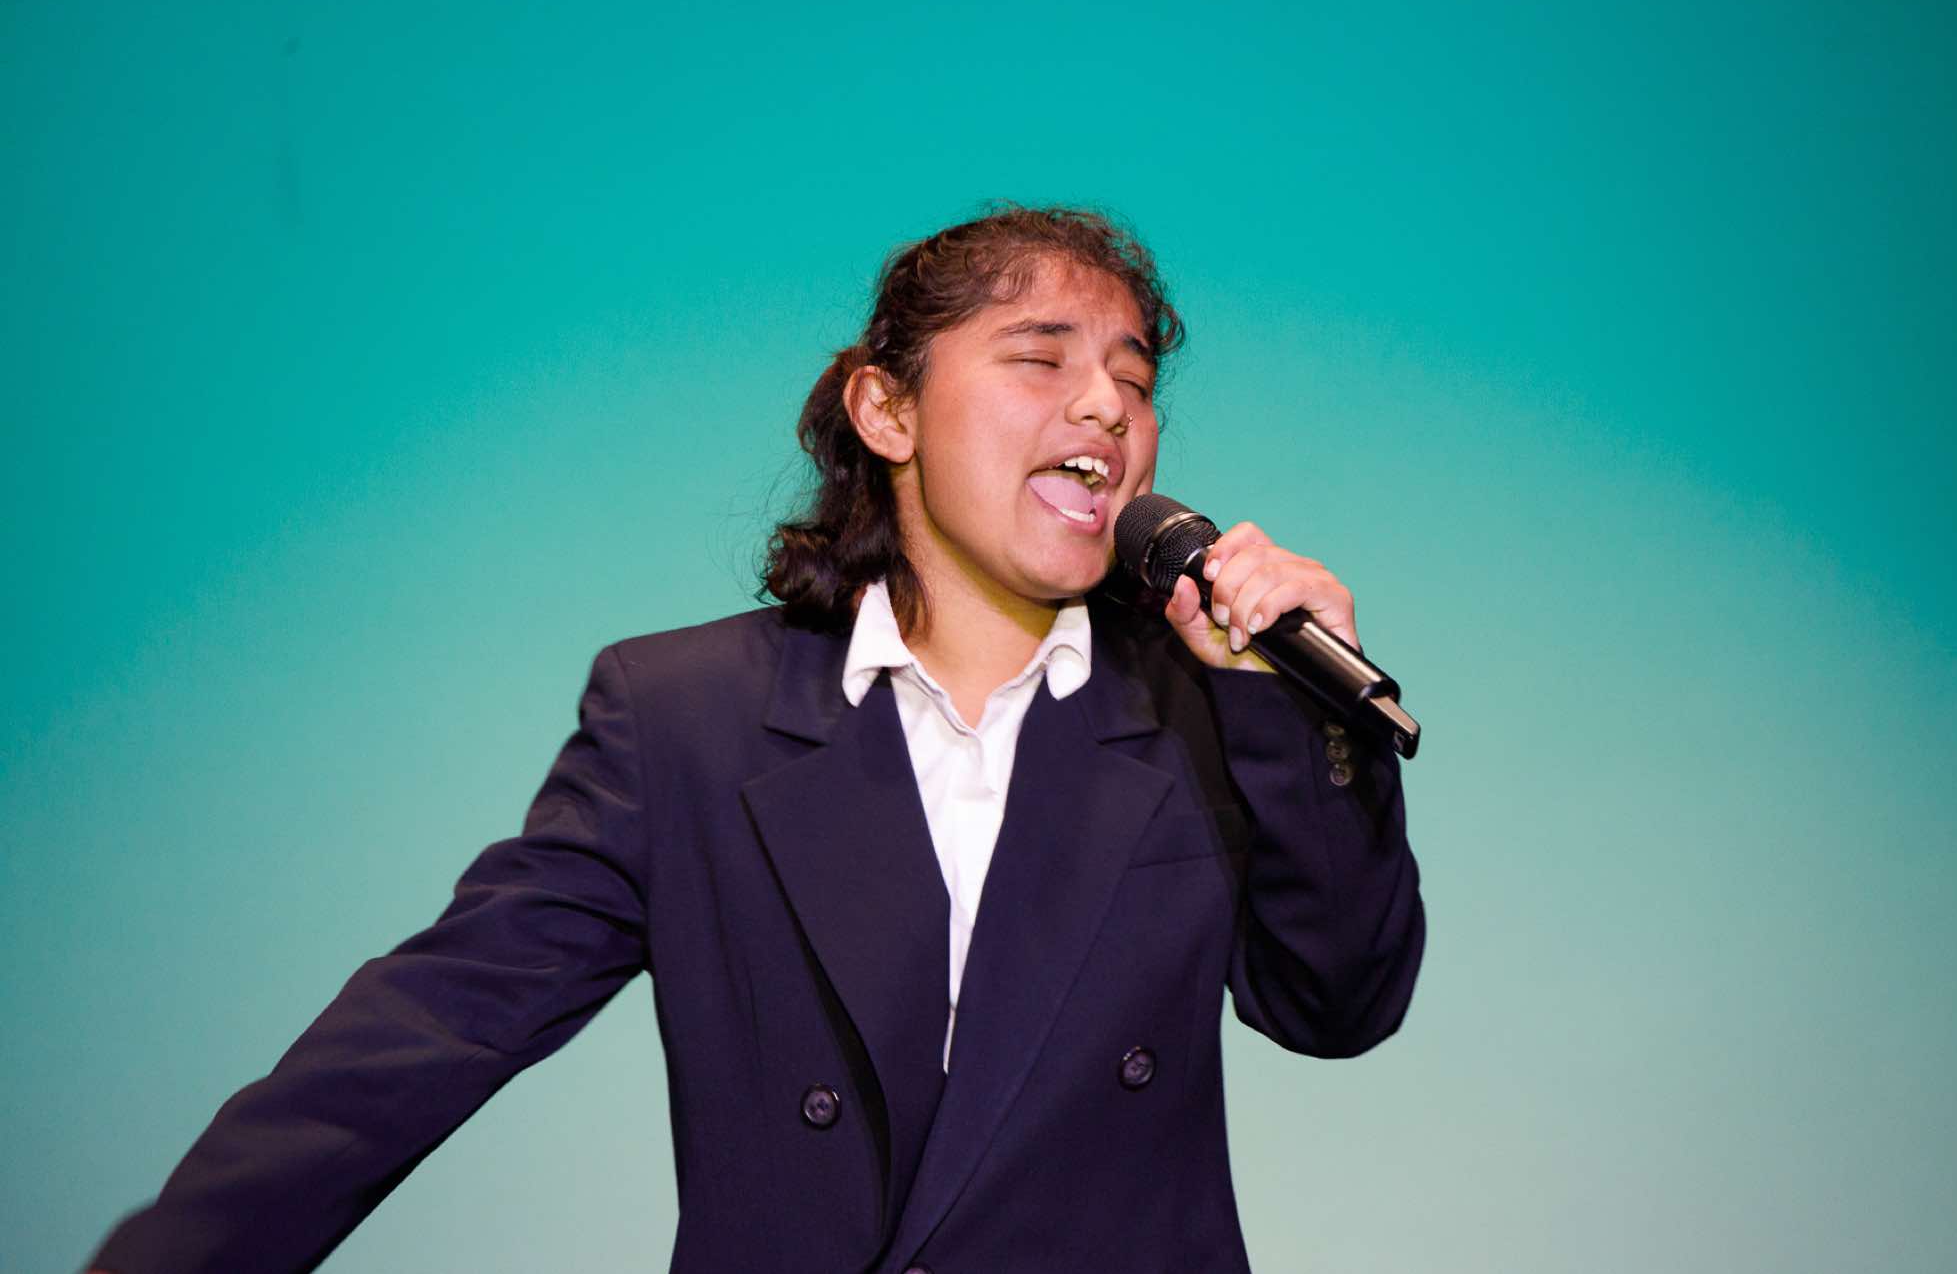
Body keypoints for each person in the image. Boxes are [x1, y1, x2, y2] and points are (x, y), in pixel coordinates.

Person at [89, 203, 1425, 1273]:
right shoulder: (685, 718)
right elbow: (432, 1028)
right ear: (887, 412)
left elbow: (1337, 1006)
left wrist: (1286, 701)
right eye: (1041, 357)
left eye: (1133, 379)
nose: (1105, 407)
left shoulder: (1206, 708)